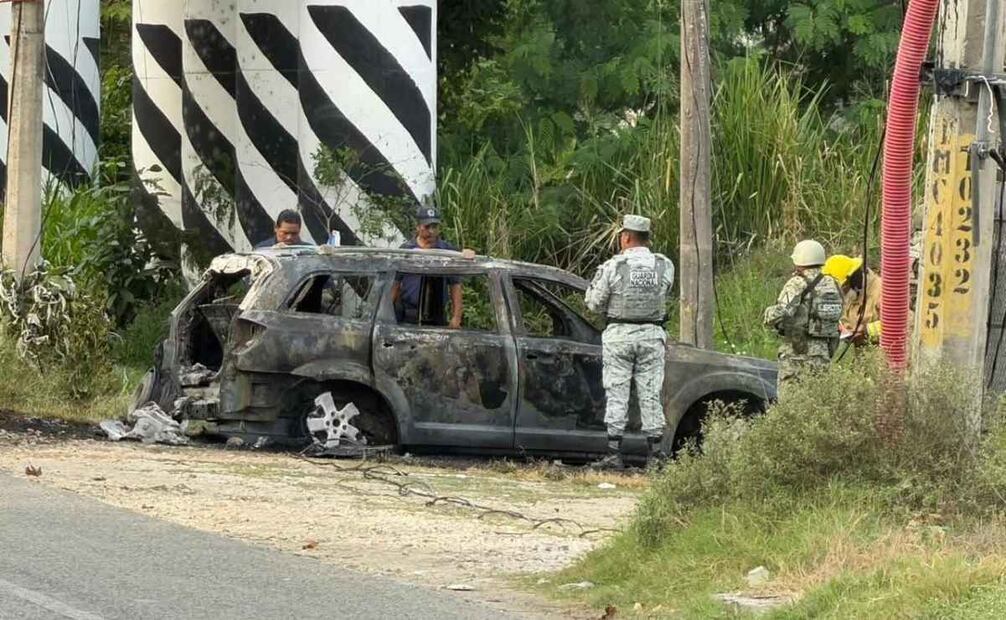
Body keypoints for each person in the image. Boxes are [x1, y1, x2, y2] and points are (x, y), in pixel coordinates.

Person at [584, 214, 675, 470]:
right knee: (650, 392)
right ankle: (655, 456)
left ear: (625, 237)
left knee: (617, 392)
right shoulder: (664, 265)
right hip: (651, 334)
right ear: (647, 238)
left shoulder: (613, 266)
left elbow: (594, 303)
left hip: (620, 335)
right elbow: (664, 291)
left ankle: (614, 453)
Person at [763, 240, 843, 396]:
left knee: (790, 406)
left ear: (800, 261)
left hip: (797, 355)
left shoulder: (798, 283)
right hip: (823, 354)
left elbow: (783, 312)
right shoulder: (833, 284)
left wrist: (768, 315)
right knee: (817, 403)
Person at [391, 206, 464, 328]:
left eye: (434, 227)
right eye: (427, 227)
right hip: (407, 315)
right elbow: (395, 284)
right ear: (418, 227)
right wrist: (383, 314)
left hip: (437, 317)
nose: (431, 231)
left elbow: (455, 285)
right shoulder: (407, 250)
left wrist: (456, 317)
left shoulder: (446, 251)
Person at [822, 254, 882, 345]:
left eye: (841, 288)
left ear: (854, 279)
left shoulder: (883, 291)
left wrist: (867, 330)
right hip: (864, 356)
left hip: (885, 356)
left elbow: (903, 325)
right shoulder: (852, 296)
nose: (839, 293)